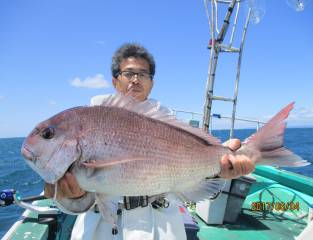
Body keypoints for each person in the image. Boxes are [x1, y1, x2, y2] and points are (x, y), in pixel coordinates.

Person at [45, 43, 255, 239]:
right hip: (102, 229)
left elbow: (191, 181)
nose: (136, 79)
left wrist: (220, 169)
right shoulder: (85, 123)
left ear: (152, 83)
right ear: (114, 80)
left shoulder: (169, 124)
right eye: (129, 73)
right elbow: (66, 200)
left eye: (143, 74)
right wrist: (71, 196)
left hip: (161, 227)